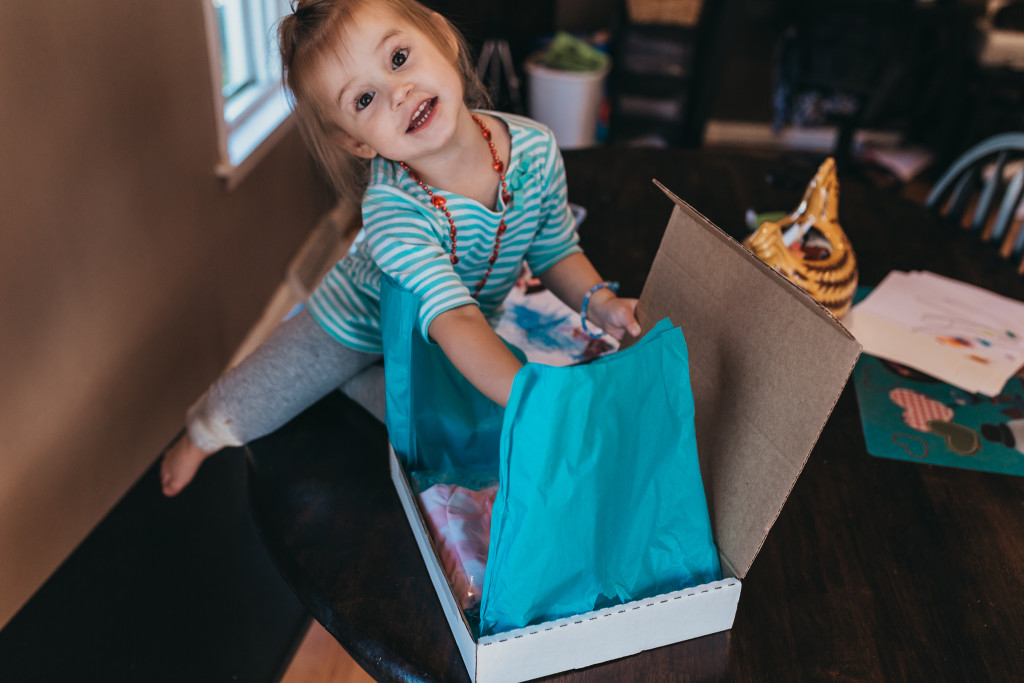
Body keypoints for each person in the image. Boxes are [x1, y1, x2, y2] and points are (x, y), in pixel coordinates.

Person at [160, 0, 641, 497]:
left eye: (398, 59)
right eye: (364, 100)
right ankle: (199, 432)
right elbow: (456, 319)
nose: (398, 93)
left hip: (450, 335)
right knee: (264, 392)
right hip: (359, 318)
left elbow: (555, 248)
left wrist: (599, 302)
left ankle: (360, 383)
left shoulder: (536, 150)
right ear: (357, 143)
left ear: (443, 39)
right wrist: (529, 395)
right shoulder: (393, 209)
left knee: (446, 425)